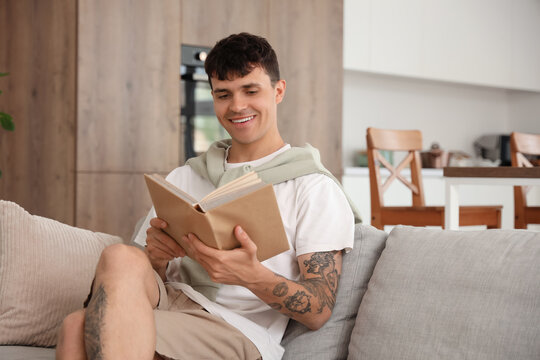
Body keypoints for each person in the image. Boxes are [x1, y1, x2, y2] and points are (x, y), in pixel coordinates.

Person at [56, 32, 357, 360]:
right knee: (121, 256)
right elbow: (134, 282)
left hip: (236, 328)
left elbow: (318, 310)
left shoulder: (311, 186)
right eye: (223, 94)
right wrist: (156, 258)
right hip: (174, 301)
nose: (237, 106)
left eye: (250, 90)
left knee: (77, 328)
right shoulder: (185, 176)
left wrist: (249, 274)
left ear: (278, 90)